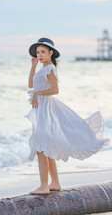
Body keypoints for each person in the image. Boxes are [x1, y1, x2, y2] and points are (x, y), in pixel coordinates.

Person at [25, 37, 110, 195]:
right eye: (38, 52)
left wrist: (38, 93)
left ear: (51, 53)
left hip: (47, 110)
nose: (40, 54)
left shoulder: (50, 68)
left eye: (43, 51)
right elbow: (31, 85)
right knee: (45, 146)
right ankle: (55, 183)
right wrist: (33, 66)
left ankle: (44, 186)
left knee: (41, 147)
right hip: (41, 109)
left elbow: (55, 90)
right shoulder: (42, 68)